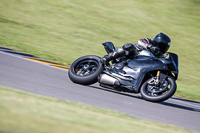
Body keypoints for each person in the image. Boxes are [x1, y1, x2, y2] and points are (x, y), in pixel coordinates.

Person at [101, 32, 171, 64]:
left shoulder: (159, 55)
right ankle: (108, 57)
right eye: (164, 47)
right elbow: (141, 41)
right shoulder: (149, 41)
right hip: (131, 55)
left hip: (138, 65)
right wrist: (150, 46)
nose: (165, 49)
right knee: (130, 46)